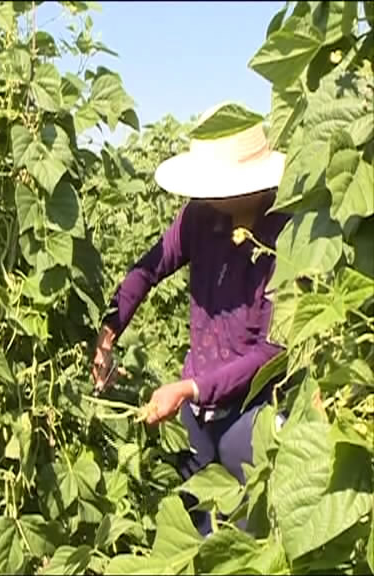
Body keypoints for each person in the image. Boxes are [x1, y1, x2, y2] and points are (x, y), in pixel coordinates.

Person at [91, 102, 288, 536]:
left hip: (250, 414)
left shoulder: (282, 233)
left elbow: (271, 352)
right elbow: (148, 269)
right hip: (195, 412)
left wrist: (190, 387)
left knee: (245, 541)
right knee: (192, 535)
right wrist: (107, 334)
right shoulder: (200, 216)